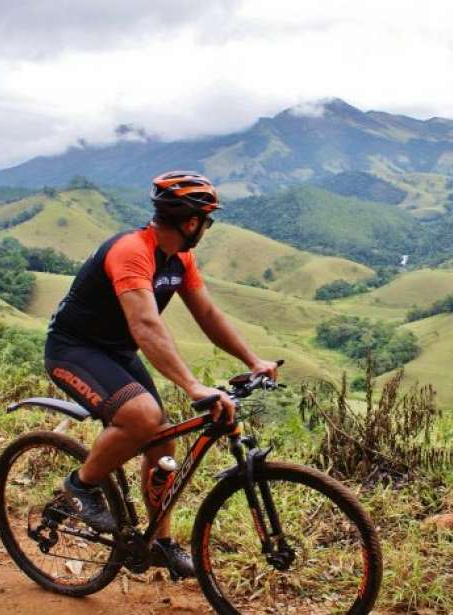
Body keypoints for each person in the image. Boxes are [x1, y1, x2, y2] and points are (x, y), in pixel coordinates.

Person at [43, 170, 279, 577]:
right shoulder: (132, 251)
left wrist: (252, 360)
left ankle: (160, 544)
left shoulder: (180, 258)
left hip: (115, 352)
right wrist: (193, 386)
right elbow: (146, 327)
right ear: (191, 223)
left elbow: (206, 314)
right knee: (142, 417)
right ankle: (80, 487)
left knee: (160, 447)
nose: (206, 228)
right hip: (73, 349)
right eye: (207, 221)